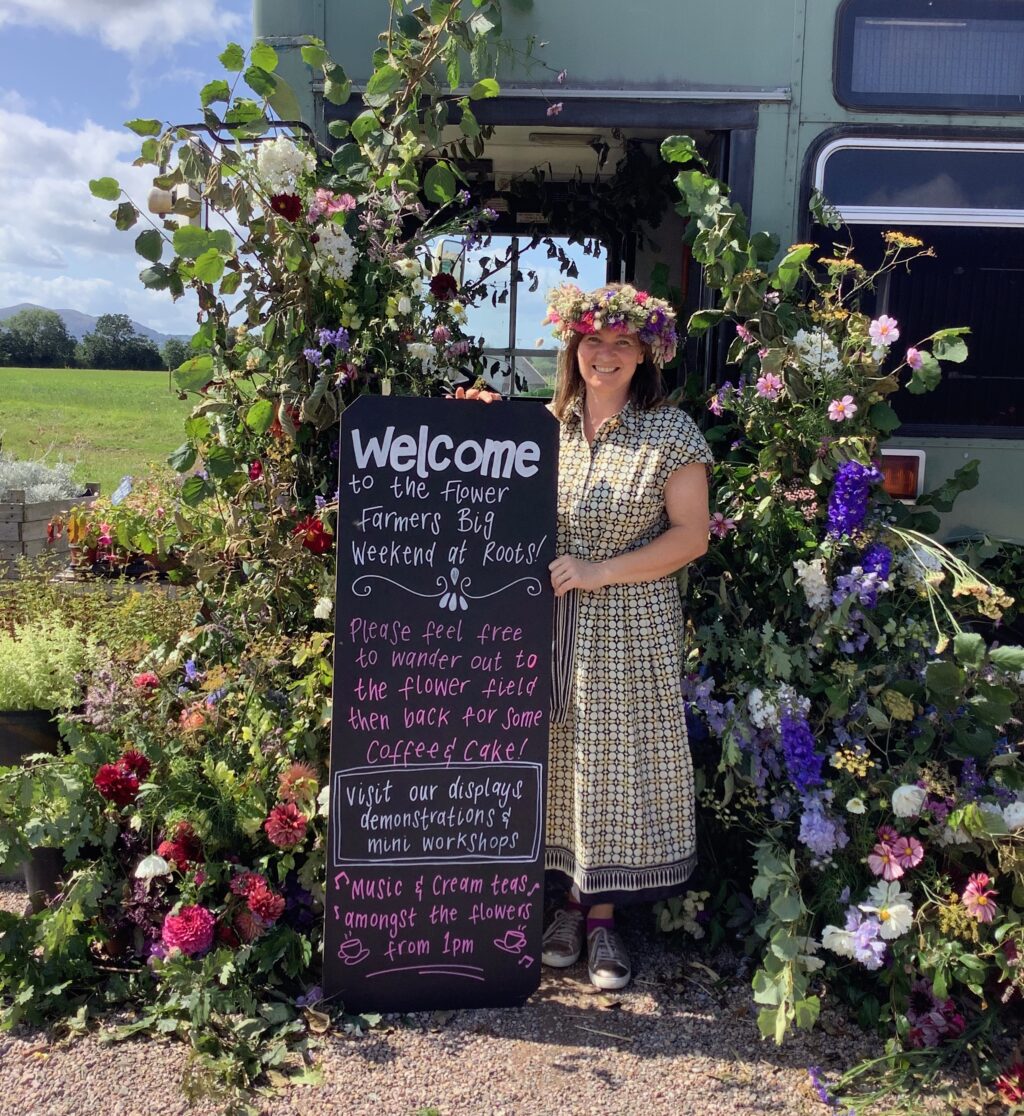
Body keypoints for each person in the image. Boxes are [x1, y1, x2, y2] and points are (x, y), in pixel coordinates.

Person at [457, 282, 711, 991]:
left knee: (609, 766)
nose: (605, 354)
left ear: (644, 355)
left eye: (621, 343)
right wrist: (474, 421)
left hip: (627, 624)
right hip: (546, 623)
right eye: (593, 341)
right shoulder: (549, 426)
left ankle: (601, 919)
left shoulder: (670, 432)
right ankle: (565, 905)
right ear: (574, 347)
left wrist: (601, 570)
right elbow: (492, 479)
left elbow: (691, 538)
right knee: (557, 759)